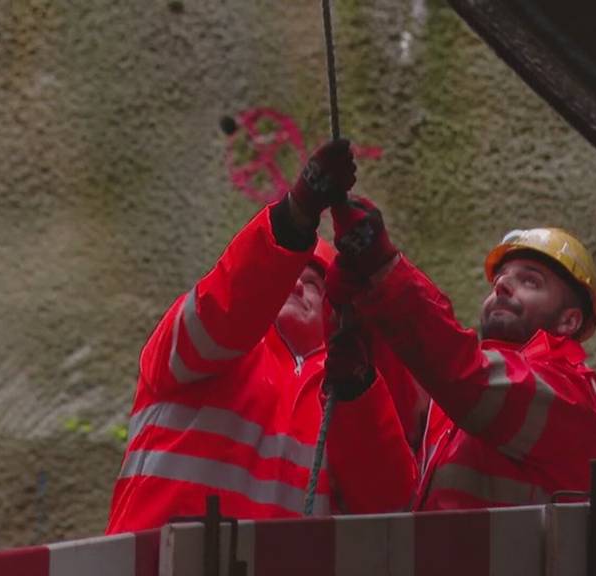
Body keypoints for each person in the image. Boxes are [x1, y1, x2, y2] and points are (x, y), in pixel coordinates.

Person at [105, 143, 415, 534]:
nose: (299, 284)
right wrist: (294, 217)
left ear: (331, 310)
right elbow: (233, 301)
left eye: (315, 281)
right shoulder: (204, 340)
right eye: (290, 272)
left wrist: (357, 390)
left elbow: (389, 503)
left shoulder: (342, 392)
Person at [325, 197, 596, 510]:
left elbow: (467, 373)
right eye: (499, 279)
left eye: (530, 281)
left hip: (512, 562)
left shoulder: (572, 397)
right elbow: (395, 498)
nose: (502, 286)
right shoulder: (457, 407)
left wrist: (384, 268)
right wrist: (359, 375)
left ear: (569, 320)